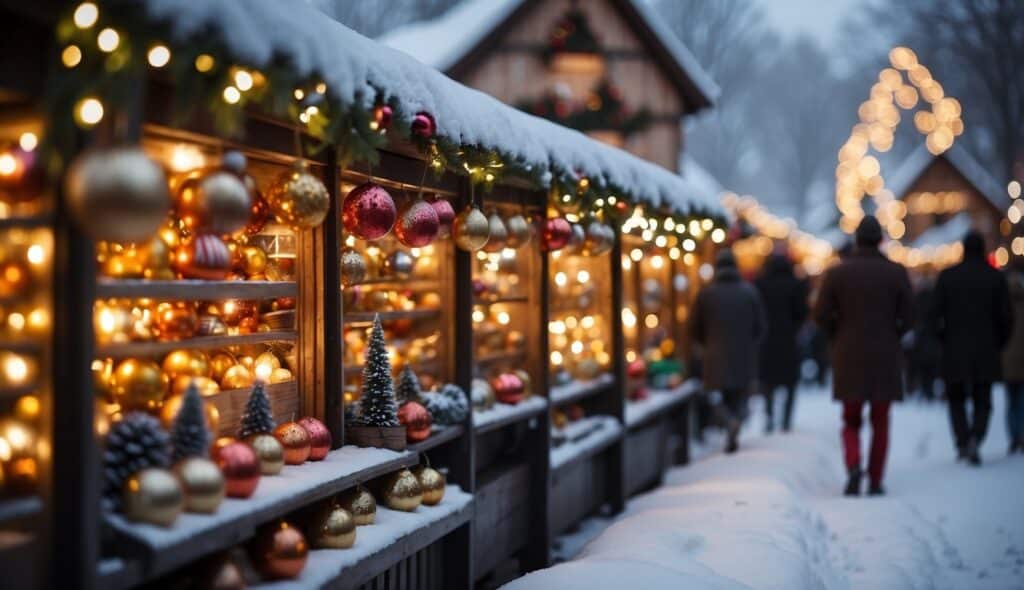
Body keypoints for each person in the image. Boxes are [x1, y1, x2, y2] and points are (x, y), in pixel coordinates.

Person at [814, 216, 912, 496]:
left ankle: (854, 464)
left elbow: (820, 315)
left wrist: (837, 333)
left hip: (849, 355)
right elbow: (910, 316)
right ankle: (876, 477)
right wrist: (894, 333)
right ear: (881, 240)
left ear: (856, 240)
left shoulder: (837, 273)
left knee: (851, 419)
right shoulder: (896, 272)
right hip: (885, 356)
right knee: (881, 420)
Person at [931, 231, 1012, 465]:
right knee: (983, 398)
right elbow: (1007, 317)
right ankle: (976, 436)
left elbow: (933, 315)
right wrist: (999, 342)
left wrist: (942, 340)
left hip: (954, 348)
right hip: (986, 348)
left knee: (956, 398)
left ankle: (963, 440)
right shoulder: (996, 278)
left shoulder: (948, 277)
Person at [691, 249, 766, 454]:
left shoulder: (706, 294)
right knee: (740, 397)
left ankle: (729, 422)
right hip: (743, 355)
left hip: (715, 355)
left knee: (718, 396)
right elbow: (760, 326)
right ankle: (734, 423)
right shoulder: (749, 292)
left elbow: (695, 328)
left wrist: (706, 344)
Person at [755, 253, 808, 432]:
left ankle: (769, 415)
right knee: (790, 382)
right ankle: (786, 420)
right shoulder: (796, 284)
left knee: (768, 381)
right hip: (789, 340)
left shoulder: (760, 284)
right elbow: (802, 313)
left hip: (767, 339)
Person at [1002, 263, 1024, 453]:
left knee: (1011, 401)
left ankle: (1014, 436)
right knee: (1021, 400)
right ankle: (1021, 435)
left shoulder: (1004, 307)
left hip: (1008, 362)